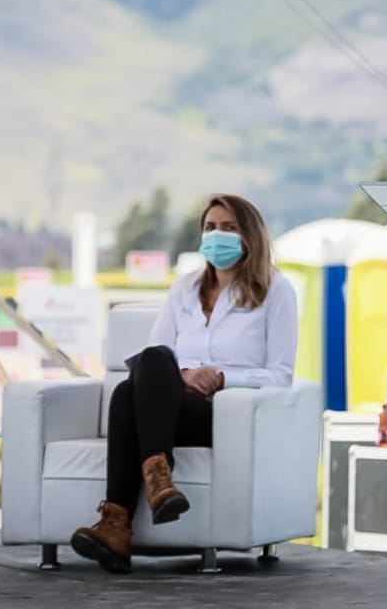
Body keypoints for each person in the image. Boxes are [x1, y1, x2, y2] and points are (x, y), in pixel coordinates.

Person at [70, 194, 298, 573]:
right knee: (143, 372)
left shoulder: (275, 291)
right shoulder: (184, 288)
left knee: (130, 392)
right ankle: (155, 486)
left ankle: (117, 520)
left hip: (221, 414)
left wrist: (222, 377)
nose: (217, 235)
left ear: (250, 237)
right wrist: (184, 376)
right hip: (168, 403)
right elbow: (152, 357)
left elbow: (281, 375)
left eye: (229, 228)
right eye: (210, 227)